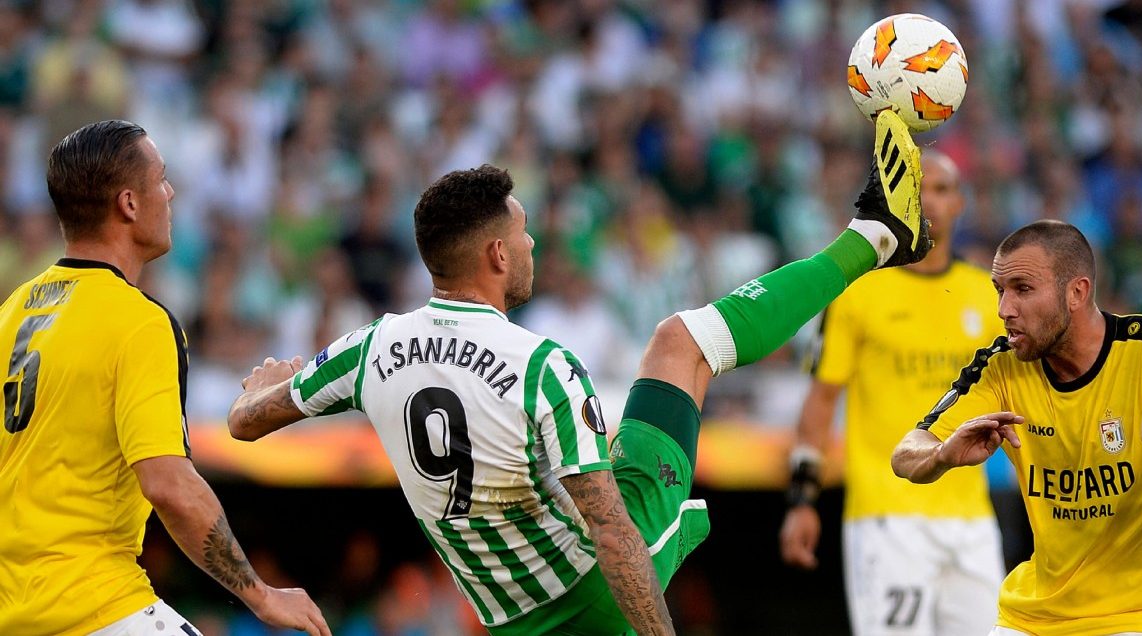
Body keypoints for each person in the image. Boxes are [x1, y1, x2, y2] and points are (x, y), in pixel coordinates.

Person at [227, 110, 931, 634]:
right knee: (681, 343)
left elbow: (245, 422)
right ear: (498, 255)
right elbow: (611, 531)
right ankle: (873, 236)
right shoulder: (540, 365)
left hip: (508, 619)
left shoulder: (369, 348)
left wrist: (261, 389)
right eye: (523, 232)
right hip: (594, 592)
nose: (533, 243)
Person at [0, 120, 330, 636]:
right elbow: (169, 484)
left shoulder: (12, 311)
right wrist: (262, 595)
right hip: (94, 605)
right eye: (161, 179)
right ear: (129, 204)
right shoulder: (140, 323)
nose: (171, 193)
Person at [892, 220, 1142, 636]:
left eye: (1022, 288)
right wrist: (941, 455)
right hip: (1037, 618)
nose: (1004, 309)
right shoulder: (1000, 367)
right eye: (999, 290)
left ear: (1077, 292)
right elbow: (905, 453)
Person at [780, 151, 1006, 635]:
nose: (931, 201)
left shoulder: (989, 295)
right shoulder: (858, 292)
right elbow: (821, 400)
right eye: (919, 189)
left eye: (942, 189)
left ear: (961, 203)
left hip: (972, 519)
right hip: (887, 517)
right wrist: (802, 499)